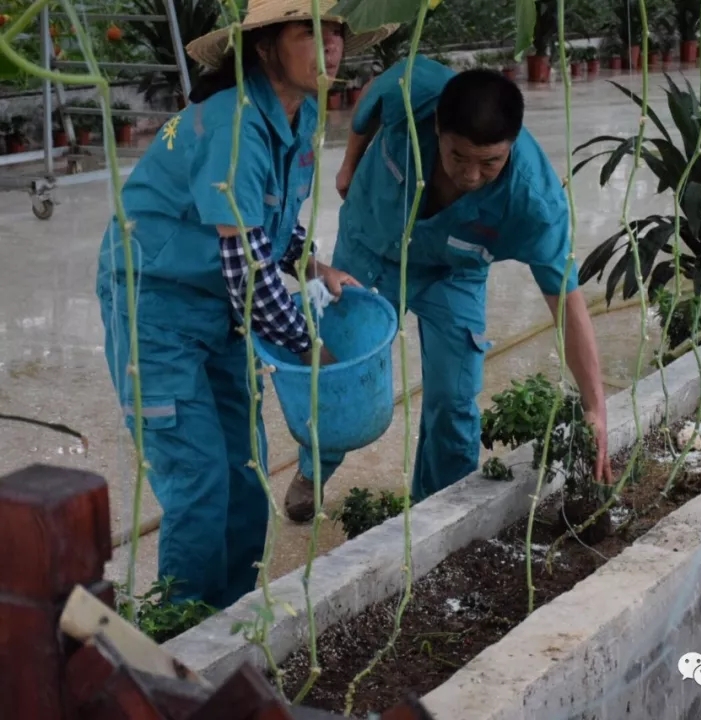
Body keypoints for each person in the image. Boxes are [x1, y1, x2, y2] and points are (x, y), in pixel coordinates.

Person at [95, 0, 396, 607]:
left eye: (335, 32)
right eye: (309, 32)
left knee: (246, 476)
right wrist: (312, 348)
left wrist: (314, 264)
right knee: (200, 484)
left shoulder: (299, 112)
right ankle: (182, 640)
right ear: (264, 47)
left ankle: (228, 627)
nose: (331, 45)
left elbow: (270, 227)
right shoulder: (233, 121)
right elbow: (250, 276)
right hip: (155, 307)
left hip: (218, 310)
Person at [283, 54, 614, 523]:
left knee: (455, 398)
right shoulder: (413, 90)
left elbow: (567, 301)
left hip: (453, 273)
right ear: (437, 126)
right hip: (370, 247)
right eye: (458, 156)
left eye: (490, 163)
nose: (471, 175)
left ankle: (438, 514)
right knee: (342, 366)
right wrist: (349, 167)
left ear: (512, 146)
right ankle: (313, 470)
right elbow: (365, 111)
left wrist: (594, 406)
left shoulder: (534, 201)